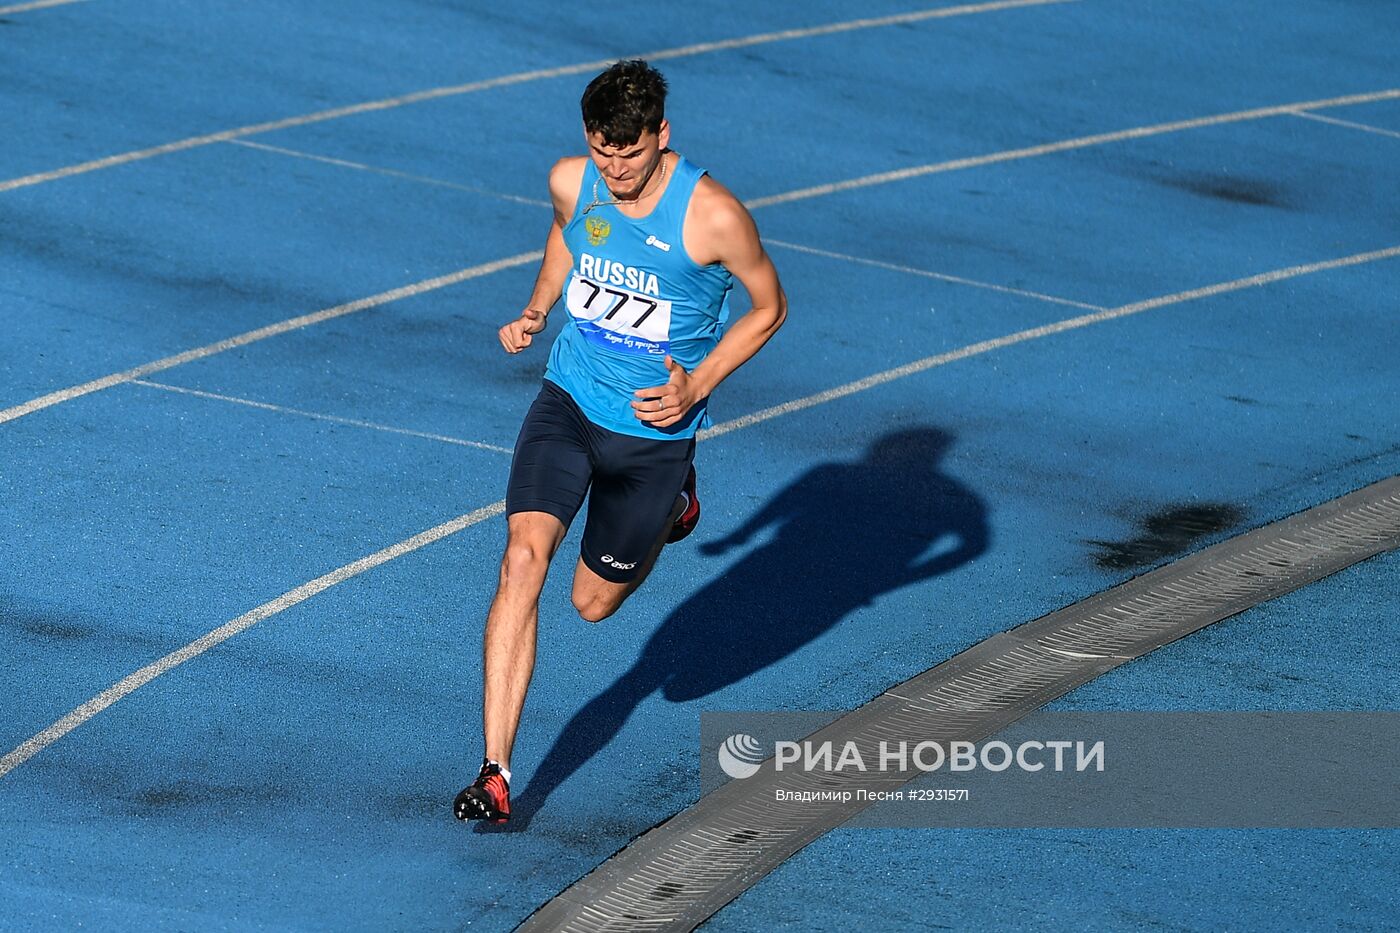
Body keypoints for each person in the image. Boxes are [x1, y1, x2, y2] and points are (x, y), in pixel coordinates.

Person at [454, 60, 787, 823]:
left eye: (630, 154)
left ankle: (677, 500)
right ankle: (496, 772)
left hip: (653, 433)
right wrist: (540, 307)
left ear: (661, 135)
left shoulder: (713, 215)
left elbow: (769, 307)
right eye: (603, 152)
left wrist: (696, 388)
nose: (616, 169)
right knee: (521, 559)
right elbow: (568, 236)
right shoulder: (576, 180)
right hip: (568, 399)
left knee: (593, 603)